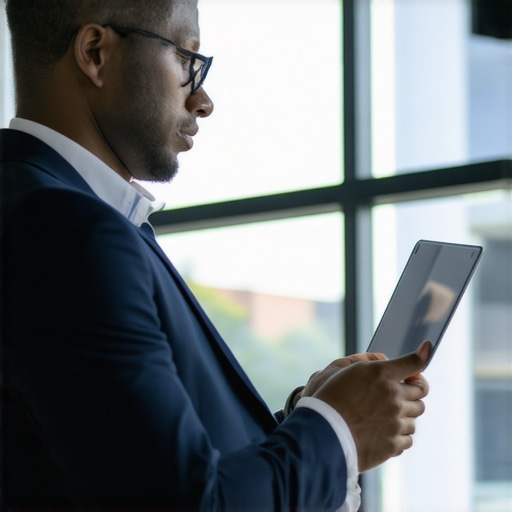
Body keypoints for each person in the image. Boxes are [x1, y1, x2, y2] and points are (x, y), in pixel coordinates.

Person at [0, 1, 430, 510]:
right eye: (187, 61)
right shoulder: (65, 229)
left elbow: (136, 469)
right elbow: (183, 503)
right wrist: (339, 430)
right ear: (95, 52)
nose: (203, 101)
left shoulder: (44, 209)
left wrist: (309, 416)